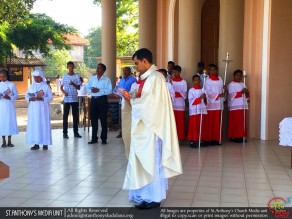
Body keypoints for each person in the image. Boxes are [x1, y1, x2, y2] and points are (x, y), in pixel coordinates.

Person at [123, 48, 182, 210]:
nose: (135, 67)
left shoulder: (156, 78)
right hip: (141, 127)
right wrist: (130, 97)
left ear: (144, 61)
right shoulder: (143, 79)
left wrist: (133, 100)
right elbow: (141, 99)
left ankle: (154, 197)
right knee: (140, 160)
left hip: (151, 127)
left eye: (136, 63)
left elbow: (153, 104)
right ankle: (142, 195)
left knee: (152, 159)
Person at [25, 70, 53, 150]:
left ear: (41, 77)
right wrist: (30, 98)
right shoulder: (31, 86)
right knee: (35, 125)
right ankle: (36, 143)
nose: (36, 79)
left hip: (42, 109)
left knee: (43, 124)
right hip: (33, 109)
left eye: (38, 77)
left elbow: (50, 97)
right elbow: (26, 95)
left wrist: (42, 98)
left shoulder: (45, 86)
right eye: (35, 77)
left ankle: (45, 143)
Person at [86, 63, 112, 145]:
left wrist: (99, 91)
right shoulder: (92, 78)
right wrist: (91, 90)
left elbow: (109, 90)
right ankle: (94, 138)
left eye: (100, 68)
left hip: (102, 100)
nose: (97, 70)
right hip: (94, 100)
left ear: (104, 70)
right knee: (93, 119)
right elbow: (87, 88)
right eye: (97, 68)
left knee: (103, 119)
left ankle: (103, 138)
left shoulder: (107, 80)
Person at [204, 64, 226, 146]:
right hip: (211, 104)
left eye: (214, 70)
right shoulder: (207, 80)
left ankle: (216, 139)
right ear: (208, 71)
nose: (212, 71)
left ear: (217, 71)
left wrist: (224, 91)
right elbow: (208, 92)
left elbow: (222, 90)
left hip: (219, 104)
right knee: (210, 122)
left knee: (217, 122)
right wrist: (219, 95)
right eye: (211, 70)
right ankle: (208, 139)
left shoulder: (220, 79)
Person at [61, 61, 82, 139]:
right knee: (65, 116)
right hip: (67, 99)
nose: (71, 68)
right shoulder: (64, 76)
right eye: (69, 66)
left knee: (75, 116)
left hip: (74, 99)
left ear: (74, 67)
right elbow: (61, 87)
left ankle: (76, 132)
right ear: (67, 67)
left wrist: (73, 84)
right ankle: (65, 133)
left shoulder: (77, 76)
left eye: (72, 66)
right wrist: (64, 92)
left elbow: (79, 87)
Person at [227, 70, 249, 143]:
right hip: (235, 106)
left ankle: (241, 136)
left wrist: (247, 92)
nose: (239, 77)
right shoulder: (231, 85)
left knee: (241, 122)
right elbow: (231, 95)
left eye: (240, 75)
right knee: (235, 122)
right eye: (237, 75)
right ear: (234, 76)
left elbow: (247, 95)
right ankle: (234, 137)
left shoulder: (243, 84)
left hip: (242, 105)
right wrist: (241, 92)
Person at [116, 67, 137, 140]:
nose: (124, 72)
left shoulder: (133, 80)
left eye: (126, 70)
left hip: (129, 101)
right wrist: (117, 93)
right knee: (122, 117)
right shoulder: (121, 80)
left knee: (129, 118)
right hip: (121, 101)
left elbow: (134, 90)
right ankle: (121, 132)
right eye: (123, 70)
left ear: (130, 71)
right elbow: (118, 88)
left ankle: (130, 132)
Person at [187, 75, 207, 148]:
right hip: (194, 111)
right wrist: (200, 98)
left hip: (202, 110)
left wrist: (205, 98)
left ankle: (201, 140)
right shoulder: (191, 90)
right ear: (193, 81)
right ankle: (193, 140)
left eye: (198, 80)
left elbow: (207, 101)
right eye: (195, 80)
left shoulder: (203, 90)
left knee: (201, 126)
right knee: (194, 126)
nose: (197, 81)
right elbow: (191, 101)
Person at [0, 70, 18, 148]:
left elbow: (16, 95)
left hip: (9, 106)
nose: (2, 78)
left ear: (7, 76)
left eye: (4, 76)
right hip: (1, 106)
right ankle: (3, 141)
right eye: (0, 77)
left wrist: (10, 97)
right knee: (2, 122)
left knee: (9, 122)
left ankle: (9, 140)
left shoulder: (11, 84)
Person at [171, 65, 187, 141]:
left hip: (180, 104)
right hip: (172, 104)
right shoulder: (170, 81)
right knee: (173, 122)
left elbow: (184, 94)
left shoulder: (183, 82)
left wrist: (175, 93)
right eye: (173, 72)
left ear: (179, 72)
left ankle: (180, 138)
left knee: (180, 122)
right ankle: (173, 138)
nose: (174, 74)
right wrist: (176, 93)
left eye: (175, 72)